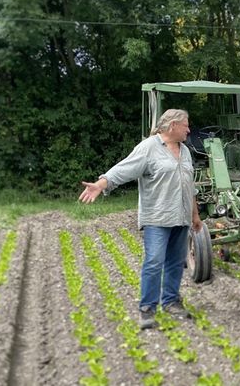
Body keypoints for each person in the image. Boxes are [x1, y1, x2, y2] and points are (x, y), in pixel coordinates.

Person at [78, 109, 202, 330]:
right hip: (157, 218)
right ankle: (147, 308)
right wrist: (101, 184)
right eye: (186, 125)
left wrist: (195, 215)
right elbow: (123, 169)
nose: (189, 129)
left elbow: (189, 185)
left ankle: (171, 301)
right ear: (173, 126)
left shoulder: (186, 152)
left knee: (175, 262)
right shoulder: (148, 148)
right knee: (154, 262)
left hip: (181, 217)